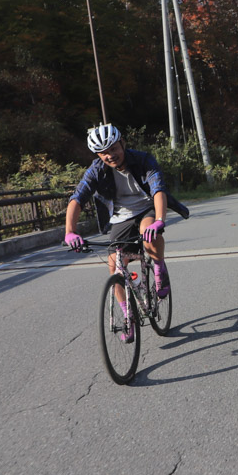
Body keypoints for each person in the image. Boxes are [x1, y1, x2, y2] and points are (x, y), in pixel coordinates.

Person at [64, 124, 189, 337]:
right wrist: (70, 232)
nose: (110, 155)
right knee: (115, 266)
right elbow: (77, 199)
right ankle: (128, 317)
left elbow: (158, 190)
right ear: (97, 154)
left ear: (123, 143)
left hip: (147, 206)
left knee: (148, 232)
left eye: (114, 148)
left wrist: (159, 220)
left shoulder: (143, 160)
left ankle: (159, 269)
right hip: (121, 216)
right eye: (104, 152)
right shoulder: (95, 170)